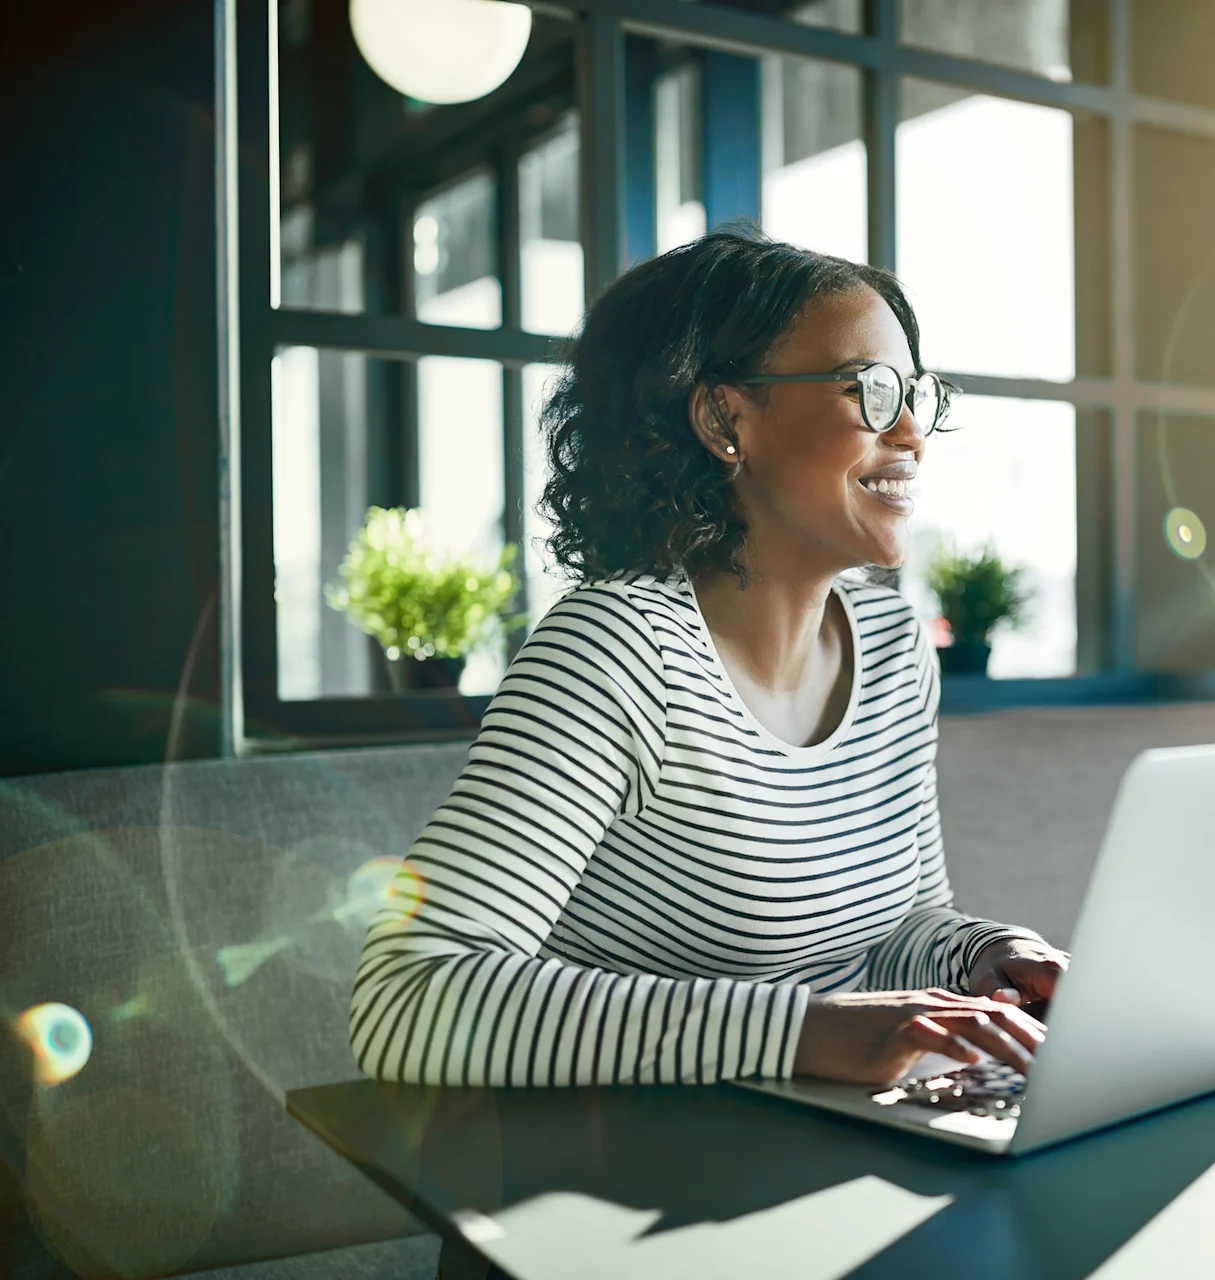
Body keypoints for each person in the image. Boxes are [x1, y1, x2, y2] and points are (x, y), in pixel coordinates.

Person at [348, 228, 1067, 1089]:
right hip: (615, 1183)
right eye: (871, 391)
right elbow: (408, 993)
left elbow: (896, 925)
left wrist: (982, 957)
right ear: (725, 419)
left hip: (826, 1154)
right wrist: (804, 1032)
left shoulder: (893, 646)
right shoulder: (613, 652)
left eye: (916, 393)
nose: (912, 432)